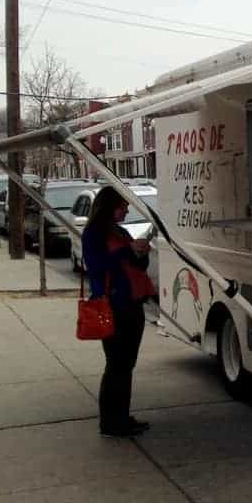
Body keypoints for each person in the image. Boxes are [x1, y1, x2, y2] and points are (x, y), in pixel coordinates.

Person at [82, 186, 156, 437]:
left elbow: (136, 266)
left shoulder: (120, 232)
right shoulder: (94, 233)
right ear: (108, 207)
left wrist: (140, 253)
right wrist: (127, 250)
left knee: (126, 364)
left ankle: (121, 417)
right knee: (117, 364)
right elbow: (96, 266)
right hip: (113, 305)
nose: (126, 210)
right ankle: (111, 422)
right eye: (122, 206)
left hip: (132, 304)